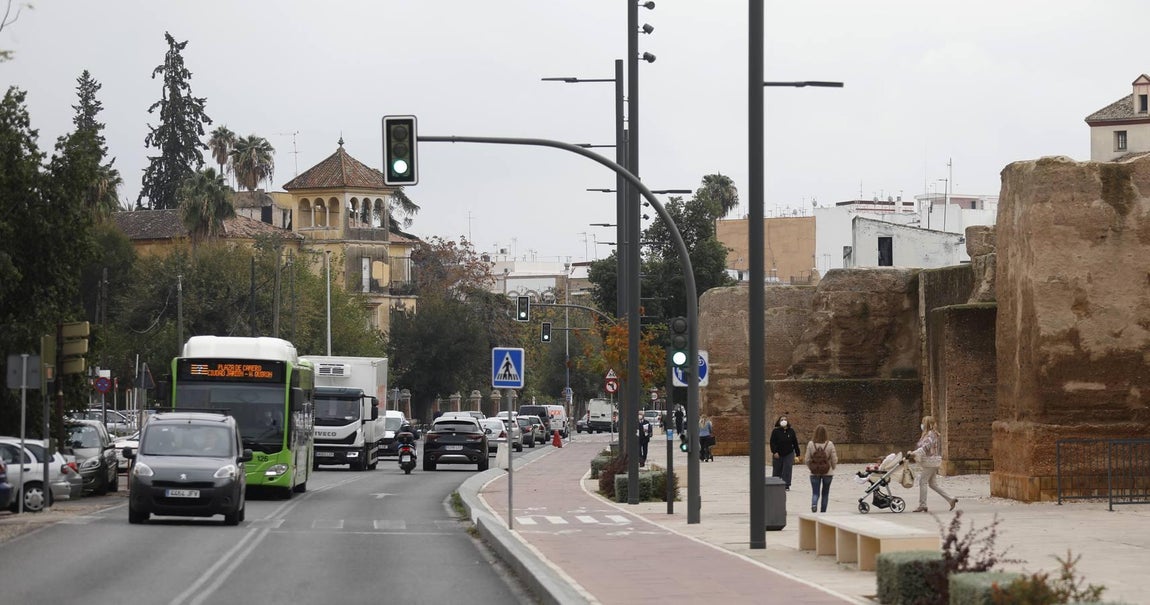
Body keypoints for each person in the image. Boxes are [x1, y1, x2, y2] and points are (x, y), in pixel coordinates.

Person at [908, 415, 957, 513]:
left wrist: (914, 453)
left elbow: (925, 447)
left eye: (923, 423)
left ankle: (923, 505)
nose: (921, 425)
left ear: (926, 424)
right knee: (933, 484)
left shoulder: (930, 434)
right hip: (932, 462)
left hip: (930, 463)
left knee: (923, 482)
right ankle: (951, 499)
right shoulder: (931, 434)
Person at [806, 424, 838, 512]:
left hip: (814, 472)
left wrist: (812, 467)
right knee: (825, 493)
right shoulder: (830, 444)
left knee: (815, 492)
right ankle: (823, 511)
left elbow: (807, 459)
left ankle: (814, 504)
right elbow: (834, 459)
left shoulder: (811, 444)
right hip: (827, 472)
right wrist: (832, 467)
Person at [770, 414, 800, 490]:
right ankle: (775, 483)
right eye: (782, 420)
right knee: (777, 469)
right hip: (778, 453)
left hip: (789, 453)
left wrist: (798, 454)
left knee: (787, 469)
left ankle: (786, 485)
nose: (784, 421)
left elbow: (795, 442)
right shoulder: (775, 431)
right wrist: (774, 452)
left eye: (785, 419)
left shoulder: (791, 431)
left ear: (787, 422)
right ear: (779, 422)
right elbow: (772, 442)